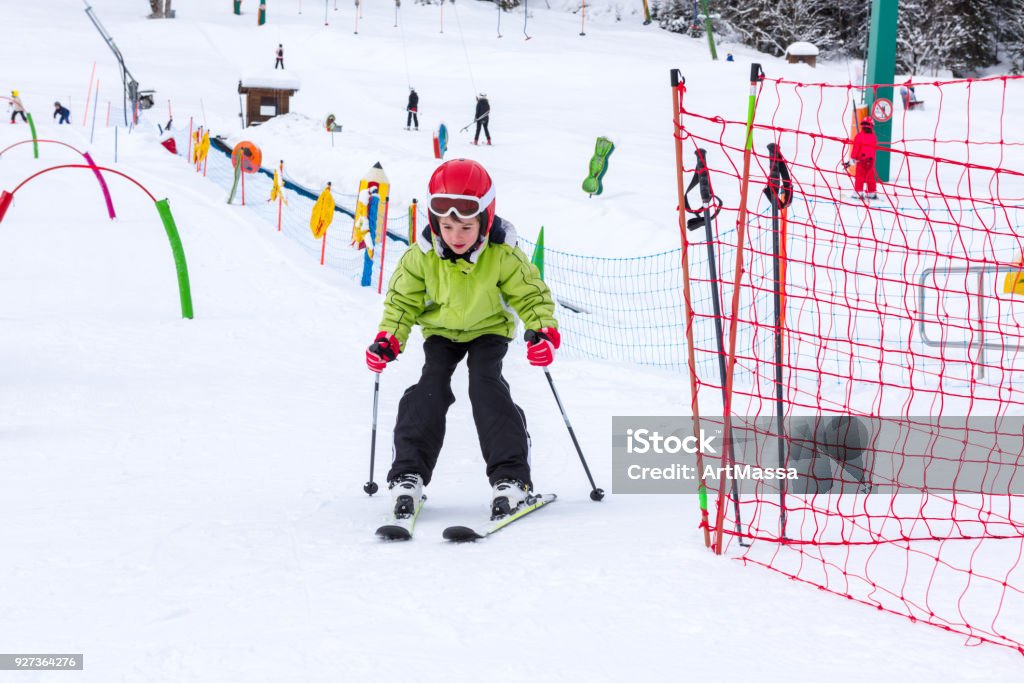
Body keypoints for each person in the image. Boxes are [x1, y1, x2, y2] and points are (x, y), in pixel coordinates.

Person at [366, 158, 559, 519]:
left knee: (485, 385)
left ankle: (511, 478)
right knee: (430, 387)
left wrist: (542, 331)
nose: (456, 237)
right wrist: (389, 339)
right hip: (441, 332)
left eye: (466, 227)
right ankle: (408, 474)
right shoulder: (421, 256)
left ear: (485, 221)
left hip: (489, 330)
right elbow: (402, 301)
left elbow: (530, 295)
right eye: (447, 226)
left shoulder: (502, 254)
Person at [849, 117, 878, 199]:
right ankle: (871, 193)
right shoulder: (874, 137)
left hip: (861, 160)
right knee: (870, 177)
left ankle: (858, 192)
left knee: (859, 177)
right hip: (871, 160)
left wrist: (853, 158)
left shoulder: (859, 136)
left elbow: (856, 148)